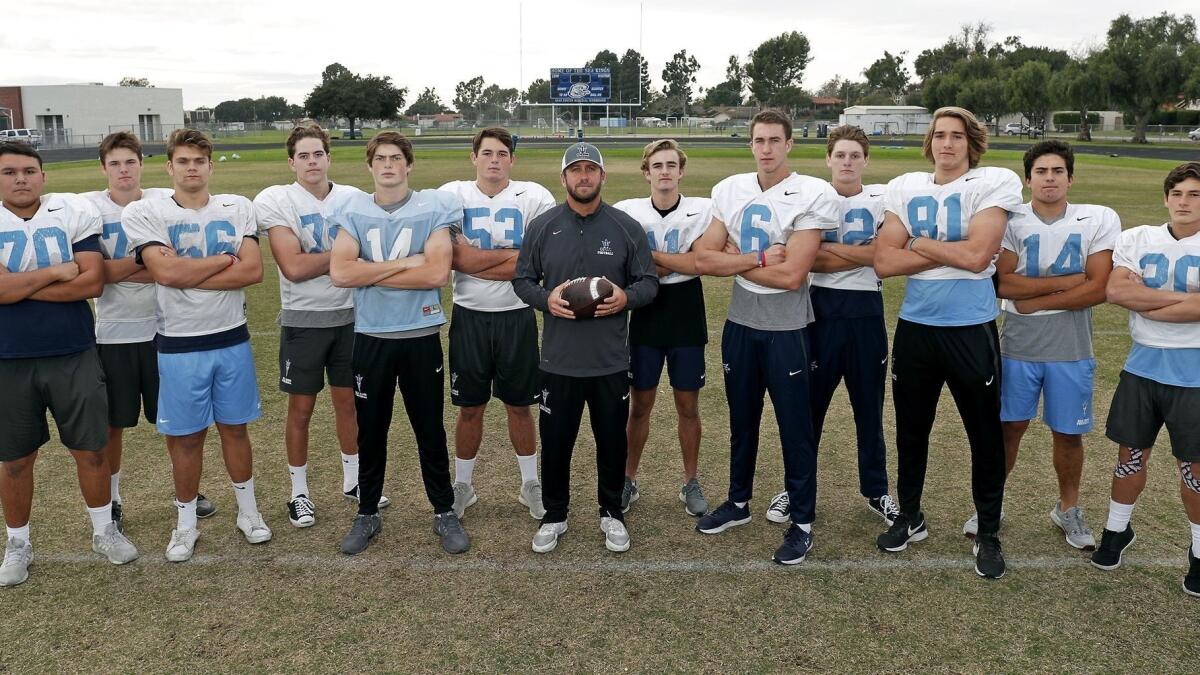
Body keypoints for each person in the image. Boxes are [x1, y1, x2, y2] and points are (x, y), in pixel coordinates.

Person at [872, 107, 1022, 579]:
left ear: (971, 143)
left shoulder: (991, 182)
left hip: (970, 328)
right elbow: (882, 263)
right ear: (929, 141)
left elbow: (979, 258)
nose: (947, 144)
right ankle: (910, 515)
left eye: (957, 136)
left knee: (983, 435)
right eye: (939, 135)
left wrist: (918, 243)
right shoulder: (906, 186)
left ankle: (989, 532)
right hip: (917, 326)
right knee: (911, 430)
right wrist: (947, 253)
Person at [691, 110, 839, 566]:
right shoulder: (731, 189)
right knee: (742, 420)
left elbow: (794, 275)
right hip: (741, 323)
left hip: (787, 327)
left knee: (795, 428)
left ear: (789, 144)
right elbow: (701, 257)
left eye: (775, 140)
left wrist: (735, 260)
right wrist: (757, 258)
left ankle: (803, 522)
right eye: (759, 140)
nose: (767, 148)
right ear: (750, 144)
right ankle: (738, 502)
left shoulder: (812, 192)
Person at [123, 129, 271, 562]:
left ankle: (249, 512)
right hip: (179, 343)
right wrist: (226, 259)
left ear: (210, 166)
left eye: (199, 161)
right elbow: (165, 275)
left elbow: (253, 272)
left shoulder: (237, 207)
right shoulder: (146, 211)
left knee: (235, 429)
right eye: (183, 161)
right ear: (169, 167)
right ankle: (185, 523)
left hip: (232, 338)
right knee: (187, 439)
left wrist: (189, 268)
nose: (192, 168)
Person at [0, 140, 138, 588]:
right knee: (15, 460)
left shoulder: (71, 212)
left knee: (92, 449)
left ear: (43, 176)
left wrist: (17, 286)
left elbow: (93, 281)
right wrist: (57, 272)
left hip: (73, 351)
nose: (20, 179)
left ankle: (103, 530)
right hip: (8, 359)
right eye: (9, 172)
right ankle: (18, 542)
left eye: (27, 171)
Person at [328, 131, 469, 556]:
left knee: (429, 427)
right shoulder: (352, 210)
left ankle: (444, 510)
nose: (388, 165)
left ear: (409, 165)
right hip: (371, 335)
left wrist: (372, 269)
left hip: (420, 334)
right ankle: (367, 511)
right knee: (371, 430)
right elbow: (341, 274)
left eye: (396, 158)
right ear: (370, 167)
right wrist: (406, 262)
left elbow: (435, 275)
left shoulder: (434, 207)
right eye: (380, 159)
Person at [512, 142, 658, 554]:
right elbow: (522, 280)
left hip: (609, 360)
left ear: (602, 177)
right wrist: (547, 300)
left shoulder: (625, 226)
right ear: (563, 179)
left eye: (590, 169)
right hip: (558, 361)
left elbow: (649, 282)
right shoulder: (542, 226)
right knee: (556, 443)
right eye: (575, 170)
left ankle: (611, 512)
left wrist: (626, 298)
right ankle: (554, 515)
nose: (583, 177)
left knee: (611, 441)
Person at [765, 125, 900, 528]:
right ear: (828, 159)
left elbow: (885, 256)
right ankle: (796, 487)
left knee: (869, 410)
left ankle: (876, 490)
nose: (847, 162)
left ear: (865, 160)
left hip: (865, 313)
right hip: (819, 310)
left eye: (854, 156)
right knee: (808, 409)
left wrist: (830, 251)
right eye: (840, 155)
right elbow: (805, 259)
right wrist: (862, 253)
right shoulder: (811, 197)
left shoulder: (881, 198)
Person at [83, 131, 217, 533]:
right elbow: (96, 274)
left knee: (177, 423)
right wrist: (153, 267)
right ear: (103, 168)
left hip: (165, 331)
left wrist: (146, 270)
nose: (123, 171)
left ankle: (188, 492)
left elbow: (183, 263)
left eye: (130, 162)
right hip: (114, 334)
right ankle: (114, 497)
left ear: (142, 164)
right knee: (113, 425)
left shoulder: (162, 201)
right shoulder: (88, 208)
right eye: (115, 164)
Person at [987, 140, 1118, 549]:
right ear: (1028, 179)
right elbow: (1002, 283)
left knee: (1068, 434)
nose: (1049, 179)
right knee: (1009, 429)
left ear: (1071, 177)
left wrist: (1033, 300)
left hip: (1071, 346)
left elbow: (1098, 288)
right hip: (1018, 345)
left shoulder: (1096, 218)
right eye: (1041, 172)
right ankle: (992, 504)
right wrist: (1068, 281)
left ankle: (1068, 507)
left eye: (1057, 171)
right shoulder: (1011, 220)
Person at [255, 124, 386, 529]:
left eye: (318, 154)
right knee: (301, 408)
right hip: (304, 321)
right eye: (303, 156)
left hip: (351, 318)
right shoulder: (277, 200)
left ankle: (354, 481)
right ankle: (298, 492)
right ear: (291, 162)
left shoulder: (352, 198)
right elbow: (292, 267)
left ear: (329, 158)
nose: (312, 162)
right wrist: (345, 257)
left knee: (350, 403)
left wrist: (335, 259)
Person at [1091, 161, 1200, 598]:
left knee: (1193, 469)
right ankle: (1117, 531)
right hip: (1142, 368)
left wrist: (1147, 302)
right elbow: (1116, 292)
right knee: (1130, 456)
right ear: (1166, 198)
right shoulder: (1138, 238)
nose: (1184, 202)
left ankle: (1198, 551)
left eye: (1194, 194)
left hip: (1193, 372)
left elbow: (1134, 297)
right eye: (1178, 194)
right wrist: (1186, 301)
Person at [438, 127, 555, 520]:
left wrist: (475, 257)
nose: (494, 160)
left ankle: (529, 484)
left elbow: (537, 263)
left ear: (512, 160)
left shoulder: (533, 196)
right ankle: (463, 486)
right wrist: (509, 260)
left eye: (502, 153)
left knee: (521, 406)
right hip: (468, 316)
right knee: (469, 407)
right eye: (487, 152)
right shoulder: (452, 195)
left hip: (516, 315)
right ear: (473, 157)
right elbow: (454, 260)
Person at [614, 139, 712, 517]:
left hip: (686, 312)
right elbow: (630, 269)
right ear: (646, 172)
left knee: (688, 405)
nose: (665, 171)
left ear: (681, 171)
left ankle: (690, 481)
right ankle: (628, 478)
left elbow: (701, 262)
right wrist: (681, 259)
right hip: (646, 312)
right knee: (640, 405)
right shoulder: (629, 213)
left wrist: (652, 260)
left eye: (672, 165)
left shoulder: (701, 210)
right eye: (658, 165)